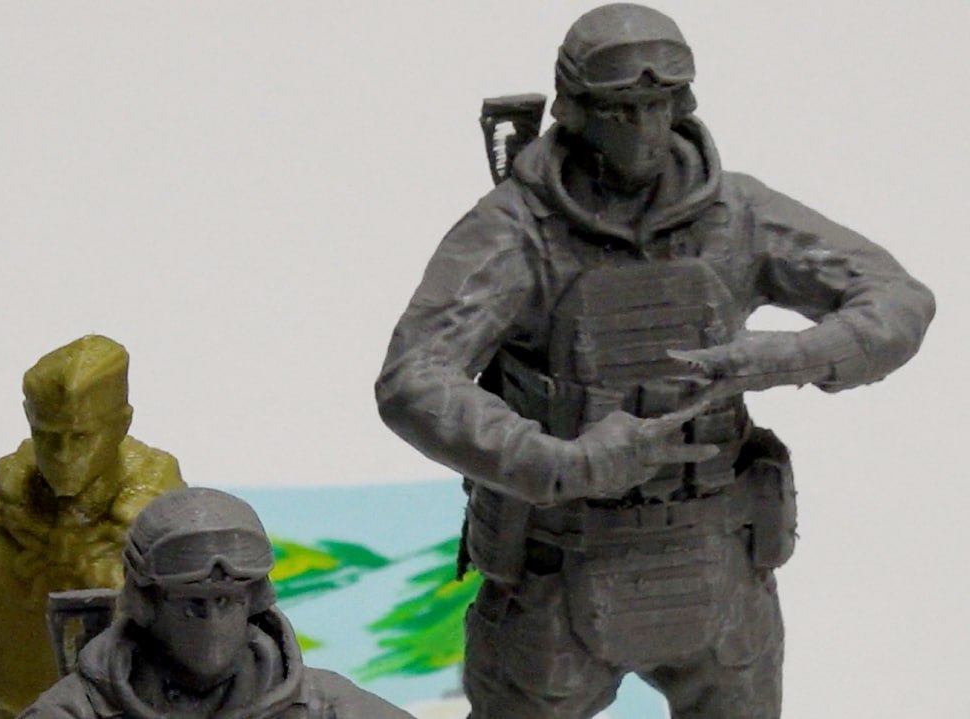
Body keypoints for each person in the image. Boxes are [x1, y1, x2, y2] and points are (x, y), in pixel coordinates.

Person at [374, 4, 935, 718]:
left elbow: (898, 299)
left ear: (682, 105)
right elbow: (413, 378)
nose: (642, 130)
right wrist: (558, 461)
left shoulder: (739, 215)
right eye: (620, 110)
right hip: (558, 572)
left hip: (719, 566)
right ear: (576, 112)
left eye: (657, 106)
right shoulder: (514, 232)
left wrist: (790, 356)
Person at [0, 334, 186, 719]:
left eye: (81, 437)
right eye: (47, 436)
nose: (63, 456)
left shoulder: (167, 537)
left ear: (121, 425)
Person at [18, 487, 416, 719]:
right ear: (148, 603)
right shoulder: (78, 710)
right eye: (190, 603)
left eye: (228, 601)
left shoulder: (322, 705)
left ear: (253, 601)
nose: (211, 620)